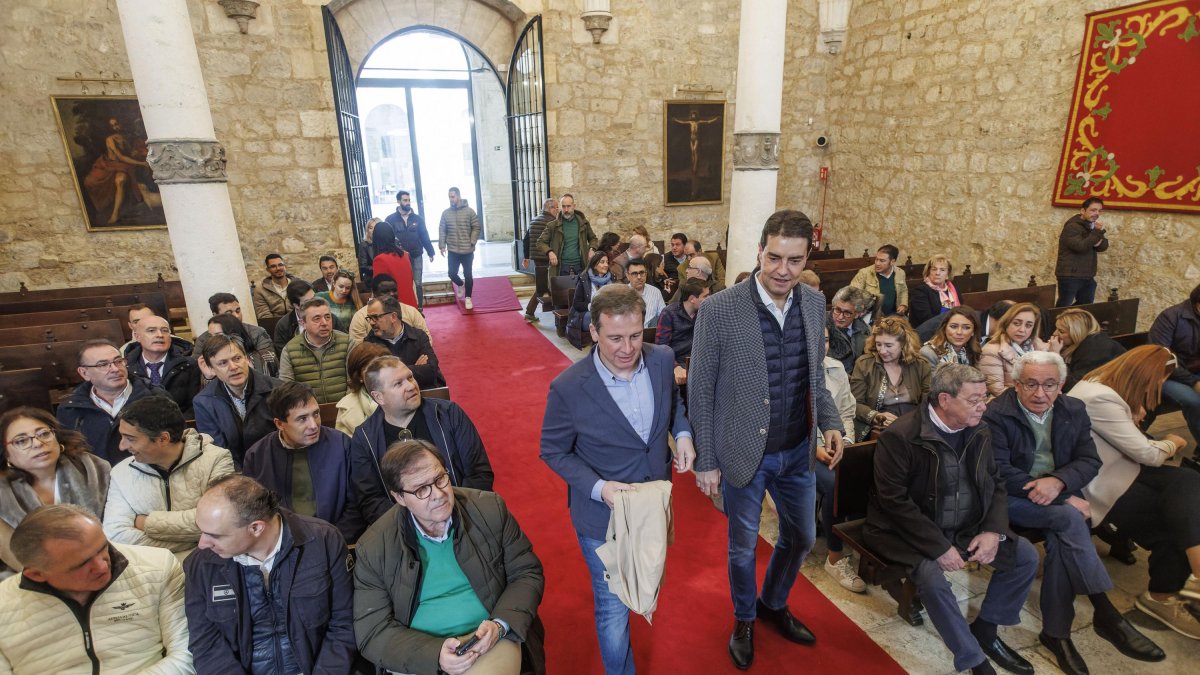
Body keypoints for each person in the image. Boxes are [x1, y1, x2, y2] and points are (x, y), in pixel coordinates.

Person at [689, 210, 846, 669]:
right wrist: (706, 460)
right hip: (743, 451)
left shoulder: (815, 303)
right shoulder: (720, 309)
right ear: (760, 251)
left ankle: (772, 604)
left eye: (794, 260)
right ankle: (743, 618)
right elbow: (700, 389)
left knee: (801, 536)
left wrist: (830, 420)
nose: (783, 269)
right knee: (741, 547)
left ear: (806, 258)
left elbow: (814, 377)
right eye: (774, 257)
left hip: (797, 449)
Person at [540, 284, 695, 675]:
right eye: (614, 338)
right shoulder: (569, 387)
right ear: (594, 332)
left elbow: (674, 405)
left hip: (652, 505)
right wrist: (600, 488)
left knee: (645, 584)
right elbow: (553, 451)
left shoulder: (661, 359)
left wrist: (683, 435)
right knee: (613, 607)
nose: (627, 348)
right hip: (601, 516)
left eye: (634, 335)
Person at [983, 351, 1164, 672]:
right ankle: (1105, 613)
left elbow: (1088, 460)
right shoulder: (997, 414)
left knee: (1063, 540)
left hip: (1059, 493)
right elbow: (998, 472)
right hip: (1011, 498)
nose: (1041, 394)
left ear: (1062, 384)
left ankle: (1057, 634)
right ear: (1016, 384)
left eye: (1050, 384)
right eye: (1031, 384)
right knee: (1069, 518)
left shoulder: (1072, 409)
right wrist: (1061, 496)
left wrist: (1059, 482)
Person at [865, 364, 1038, 675]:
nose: (983, 406)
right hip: (904, 531)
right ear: (944, 400)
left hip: (963, 523)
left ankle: (985, 629)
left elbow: (995, 482)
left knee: (1024, 555)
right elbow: (894, 502)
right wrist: (938, 546)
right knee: (931, 576)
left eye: (984, 397)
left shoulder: (980, 429)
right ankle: (975, 661)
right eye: (974, 400)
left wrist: (992, 530)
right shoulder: (902, 436)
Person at [354, 441, 544, 675]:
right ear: (399, 498)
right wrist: (434, 655)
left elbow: (526, 573)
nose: (438, 495)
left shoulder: (489, 509)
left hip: (487, 642)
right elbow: (372, 631)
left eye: (440, 479)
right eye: (421, 490)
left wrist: (500, 624)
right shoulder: (374, 546)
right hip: (419, 653)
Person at [1069, 346, 1200, 639]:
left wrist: (1132, 417)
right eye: (1156, 382)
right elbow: (1147, 453)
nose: (1155, 389)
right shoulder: (1100, 396)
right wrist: (1174, 441)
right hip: (1100, 484)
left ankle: (1171, 592)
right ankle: (1171, 593)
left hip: (1119, 469)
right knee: (1180, 501)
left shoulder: (1102, 384)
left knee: (1185, 491)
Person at [185, 474, 359, 674]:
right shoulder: (201, 565)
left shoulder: (323, 541)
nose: (202, 543)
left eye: (214, 535)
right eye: (201, 531)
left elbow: (345, 624)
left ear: (256, 527)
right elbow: (206, 644)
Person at [0, 504, 192, 673]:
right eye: (81, 564)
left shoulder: (157, 566)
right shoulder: (4, 603)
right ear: (36, 574)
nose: (102, 566)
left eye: (102, 548)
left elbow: (188, 654)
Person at [349, 357, 493, 523]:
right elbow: (369, 499)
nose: (411, 386)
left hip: (463, 515)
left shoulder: (449, 414)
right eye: (398, 384)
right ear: (378, 397)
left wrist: (452, 512)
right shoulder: (364, 438)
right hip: (404, 529)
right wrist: (415, 525)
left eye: (410, 377)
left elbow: (478, 473)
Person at [103, 396, 235, 559]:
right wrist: (194, 541)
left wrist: (146, 523)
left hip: (207, 564)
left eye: (131, 439)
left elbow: (222, 521)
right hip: (152, 569)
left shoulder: (216, 459)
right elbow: (116, 535)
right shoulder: (121, 472)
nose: (121, 446)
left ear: (163, 439)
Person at [243, 382, 365, 543]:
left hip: (338, 539)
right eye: (302, 419)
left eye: (316, 414)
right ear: (280, 424)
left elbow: (357, 503)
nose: (314, 425)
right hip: (283, 545)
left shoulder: (341, 445)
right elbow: (257, 512)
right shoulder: (257, 456)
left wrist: (333, 540)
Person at [0, 407, 110, 580]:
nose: (37, 443)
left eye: (44, 434)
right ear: (6, 455)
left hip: (106, 563)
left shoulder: (96, 469)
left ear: (57, 437)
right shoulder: (2, 493)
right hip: (31, 579)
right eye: (21, 441)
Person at [57, 339, 167, 465]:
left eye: (118, 361)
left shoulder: (156, 398)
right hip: (97, 480)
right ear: (84, 373)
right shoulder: (69, 410)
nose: (115, 369)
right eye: (103, 365)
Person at [813, 326, 862, 593]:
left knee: (862, 473)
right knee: (835, 483)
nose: (822, 346)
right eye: (815, 340)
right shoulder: (789, 367)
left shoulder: (835, 368)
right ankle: (834, 555)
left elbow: (846, 410)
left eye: (826, 340)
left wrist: (846, 443)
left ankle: (856, 539)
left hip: (836, 444)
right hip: (801, 452)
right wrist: (815, 449)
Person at [193, 333, 281, 466]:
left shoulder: (278, 389)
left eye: (237, 358)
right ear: (211, 369)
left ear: (246, 358)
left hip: (278, 465)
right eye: (223, 363)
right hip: (234, 474)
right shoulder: (204, 402)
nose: (233, 367)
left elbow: (288, 438)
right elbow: (217, 452)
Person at [849, 316, 932, 439]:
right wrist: (875, 416)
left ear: (903, 344)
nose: (882, 351)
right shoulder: (865, 364)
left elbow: (929, 401)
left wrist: (915, 419)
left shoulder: (920, 364)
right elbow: (854, 403)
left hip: (914, 423)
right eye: (878, 344)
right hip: (879, 427)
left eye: (888, 345)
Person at [1148, 282, 1200, 444]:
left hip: (1194, 373)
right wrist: (1194, 382)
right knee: (1194, 401)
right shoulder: (1171, 317)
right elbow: (1161, 358)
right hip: (1166, 375)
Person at [278, 297, 352, 404]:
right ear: (303, 323)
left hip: (346, 408)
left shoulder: (348, 343)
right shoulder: (290, 350)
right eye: (317, 319)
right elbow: (287, 388)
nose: (324, 323)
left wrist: (345, 407)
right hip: (308, 412)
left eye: (327, 317)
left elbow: (354, 382)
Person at [124, 314, 201, 413]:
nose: (160, 335)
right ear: (137, 336)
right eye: (151, 331)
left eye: (164, 330)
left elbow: (194, 406)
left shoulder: (189, 364)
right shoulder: (126, 367)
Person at [363, 295, 445, 389]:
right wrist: (414, 368)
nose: (371, 323)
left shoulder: (418, 336)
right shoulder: (369, 343)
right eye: (369, 318)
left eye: (375, 317)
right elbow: (374, 380)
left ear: (393, 317)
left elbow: (431, 371)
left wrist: (391, 374)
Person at [194, 292, 277, 372]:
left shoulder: (257, 333)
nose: (236, 316)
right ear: (215, 315)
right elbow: (201, 370)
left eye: (238, 311)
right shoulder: (203, 340)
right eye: (229, 313)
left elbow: (270, 362)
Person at [979, 302, 1048, 397]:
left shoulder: (1039, 348)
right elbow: (997, 391)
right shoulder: (991, 350)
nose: (1022, 330)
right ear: (1006, 323)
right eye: (1016, 323)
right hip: (1008, 405)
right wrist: (1034, 396)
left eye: (1028, 325)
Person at [1049, 307, 1126, 390]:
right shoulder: (1090, 341)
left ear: (1077, 333)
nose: (1054, 334)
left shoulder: (1095, 348)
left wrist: (1055, 356)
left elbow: (1074, 387)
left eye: (1061, 331)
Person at [348, 273, 432, 345]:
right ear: (374, 293)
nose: (391, 294)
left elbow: (426, 338)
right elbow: (357, 349)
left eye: (394, 290)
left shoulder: (411, 312)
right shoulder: (360, 317)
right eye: (385, 291)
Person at [385, 189, 435, 309]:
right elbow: (388, 238)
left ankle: (419, 309)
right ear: (398, 201)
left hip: (416, 254)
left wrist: (430, 251)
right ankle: (404, 308)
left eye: (409, 200)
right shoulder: (390, 220)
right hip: (400, 257)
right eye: (405, 200)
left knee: (417, 283)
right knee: (402, 283)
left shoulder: (417, 219)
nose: (408, 203)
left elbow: (424, 235)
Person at [1055, 197, 1108, 307]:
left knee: (1085, 308)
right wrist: (1096, 234)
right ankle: (1054, 324)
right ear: (1083, 211)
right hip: (1070, 275)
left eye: (1099, 211)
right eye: (1093, 210)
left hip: (1087, 275)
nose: (1097, 213)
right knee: (1063, 308)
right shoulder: (1073, 226)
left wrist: (1095, 237)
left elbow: (1103, 246)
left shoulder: (1092, 227)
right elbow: (1081, 246)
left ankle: (1072, 323)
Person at [655, 279, 710, 385]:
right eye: (705, 296)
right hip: (675, 361)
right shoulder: (669, 313)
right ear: (692, 299)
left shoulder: (704, 313)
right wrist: (674, 366)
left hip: (696, 361)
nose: (709, 299)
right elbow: (662, 346)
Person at [439, 186, 482, 310]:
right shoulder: (446, 213)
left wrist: (472, 241)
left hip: (467, 250)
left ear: (458, 196)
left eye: (452, 197)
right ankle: (460, 284)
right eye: (449, 197)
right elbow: (442, 229)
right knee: (451, 273)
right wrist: (442, 245)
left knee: (468, 274)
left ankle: (468, 298)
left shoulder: (469, 211)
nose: (451, 199)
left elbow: (476, 227)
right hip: (452, 250)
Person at [535, 193, 598, 278]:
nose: (566, 209)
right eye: (563, 206)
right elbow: (540, 242)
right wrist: (549, 252)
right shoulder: (553, 225)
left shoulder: (583, 224)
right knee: (561, 291)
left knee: (580, 291)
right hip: (560, 267)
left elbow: (593, 238)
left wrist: (592, 249)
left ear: (574, 206)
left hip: (580, 266)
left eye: (568, 206)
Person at [335, 341, 390, 436]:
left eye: (381, 368)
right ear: (359, 376)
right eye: (371, 370)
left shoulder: (402, 393)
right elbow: (344, 446)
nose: (378, 374)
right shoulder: (346, 406)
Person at [523, 197, 559, 322]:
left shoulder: (534, 220)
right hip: (548, 257)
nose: (557, 210)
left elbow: (526, 239)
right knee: (545, 286)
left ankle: (554, 310)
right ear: (550, 208)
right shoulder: (552, 222)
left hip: (537, 258)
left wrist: (526, 256)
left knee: (546, 285)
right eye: (556, 208)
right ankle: (530, 311)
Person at [206, 313, 276, 376]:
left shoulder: (266, 357)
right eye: (210, 336)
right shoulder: (212, 363)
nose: (213, 340)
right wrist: (209, 377)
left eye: (218, 335)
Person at [851, 244, 908, 319]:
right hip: (870, 316)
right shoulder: (864, 273)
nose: (877, 263)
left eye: (882, 261)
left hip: (893, 315)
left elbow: (903, 291)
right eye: (876, 259)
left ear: (892, 262)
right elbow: (852, 293)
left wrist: (903, 305)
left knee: (907, 327)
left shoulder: (900, 273)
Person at [373, 220, 421, 309]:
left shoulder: (379, 259)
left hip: (394, 307)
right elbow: (411, 281)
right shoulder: (405, 255)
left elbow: (380, 289)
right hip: (411, 304)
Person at [567, 252, 612, 345]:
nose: (606, 265)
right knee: (600, 317)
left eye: (607, 262)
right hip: (584, 316)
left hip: (608, 314)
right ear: (595, 265)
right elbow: (577, 304)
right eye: (602, 262)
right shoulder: (584, 279)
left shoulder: (612, 279)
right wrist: (592, 306)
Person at [827, 285, 871, 373]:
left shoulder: (865, 330)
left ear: (858, 314)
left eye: (847, 313)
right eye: (837, 310)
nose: (840, 317)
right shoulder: (821, 324)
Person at [909, 255, 960, 329]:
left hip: (952, 329)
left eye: (942, 270)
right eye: (934, 269)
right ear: (928, 272)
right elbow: (926, 319)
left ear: (947, 274)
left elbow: (962, 311)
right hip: (927, 332)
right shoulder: (920, 291)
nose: (937, 273)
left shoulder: (953, 290)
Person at [271, 280, 315, 353]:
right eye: (308, 302)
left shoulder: (328, 317)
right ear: (296, 305)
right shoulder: (283, 326)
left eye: (314, 298)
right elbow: (283, 354)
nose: (314, 303)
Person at [253, 253, 296, 320]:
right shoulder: (260, 290)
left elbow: (305, 308)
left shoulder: (298, 284)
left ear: (285, 266)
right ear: (268, 270)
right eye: (273, 266)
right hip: (274, 325)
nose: (278, 268)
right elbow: (265, 317)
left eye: (280, 265)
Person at [625, 258, 665, 328]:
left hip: (651, 334)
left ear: (646, 274)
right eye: (634, 274)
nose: (639, 277)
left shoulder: (655, 292)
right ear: (627, 276)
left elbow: (663, 315)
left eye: (642, 273)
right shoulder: (622, 293)